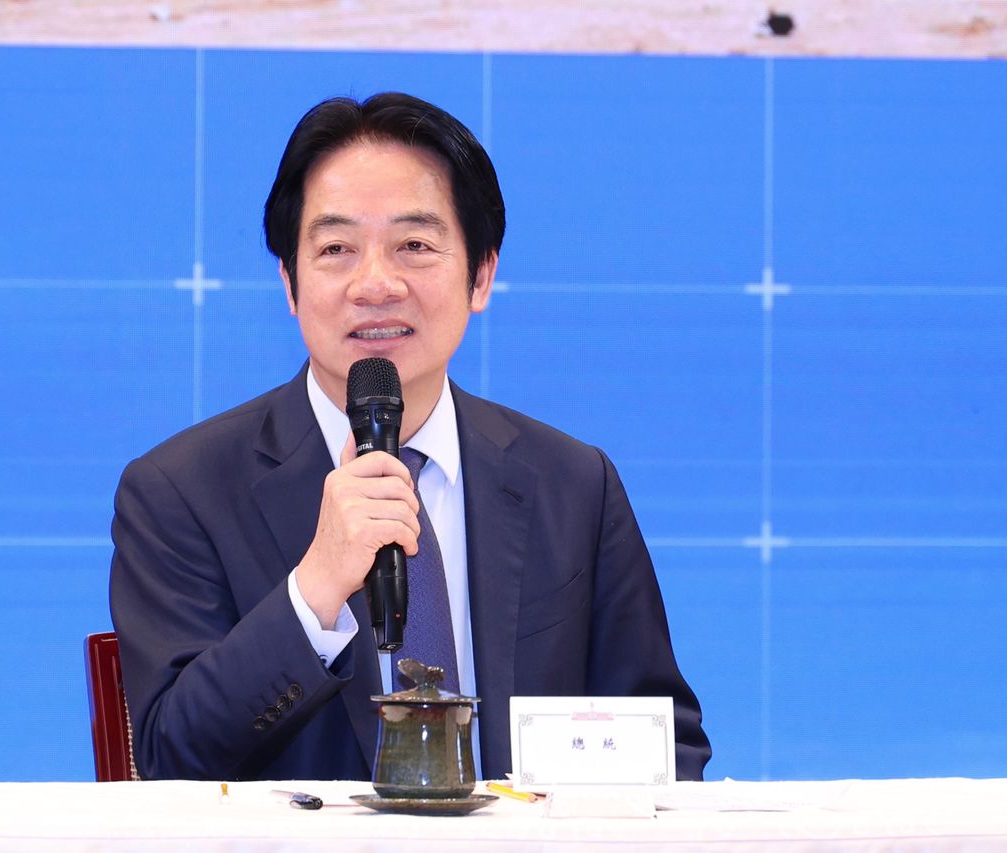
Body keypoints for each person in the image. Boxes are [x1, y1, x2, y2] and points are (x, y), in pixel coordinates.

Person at [110, 92, 711, 783]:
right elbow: (167, 758)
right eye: (336, 249)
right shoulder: (180, 491)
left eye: (414, 246)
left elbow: (665, 743)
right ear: (290, 284)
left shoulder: (574, 484)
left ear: (480, 275)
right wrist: (317, 586)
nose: (375, 283)